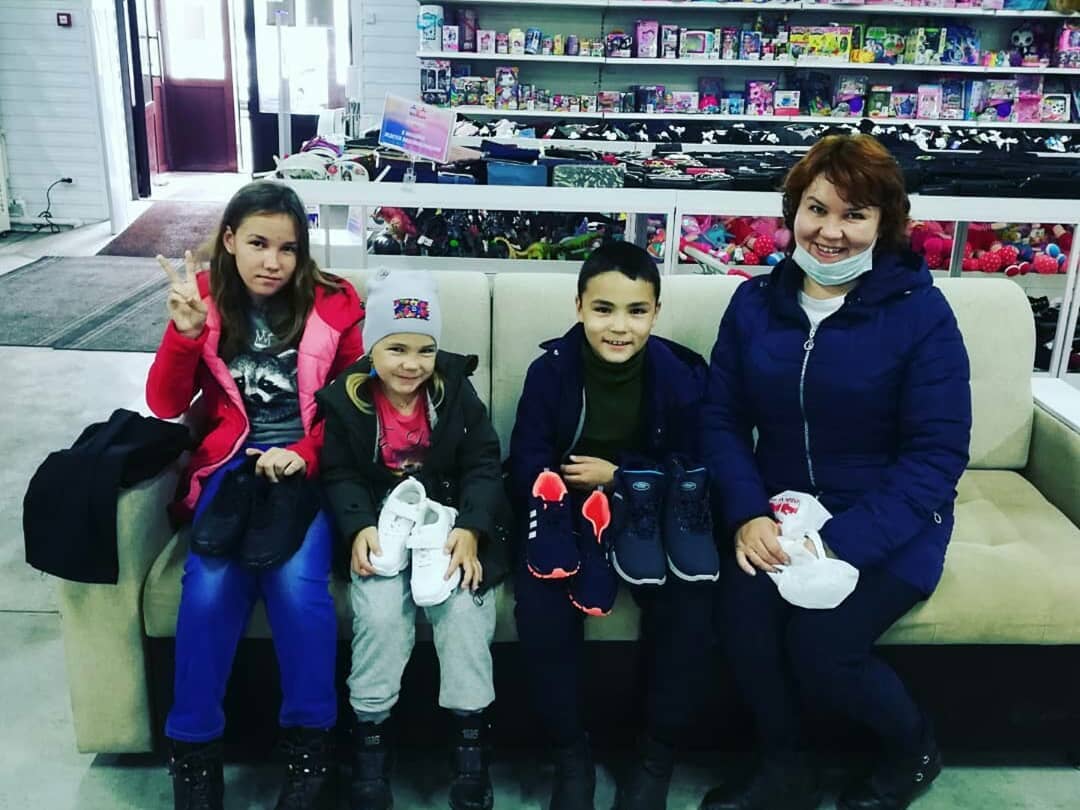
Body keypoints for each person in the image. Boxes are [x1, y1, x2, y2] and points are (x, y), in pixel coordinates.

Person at [699, 134, 972, 810]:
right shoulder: (754, 305)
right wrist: (747, 512)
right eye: (817, 209)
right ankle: (785, 765)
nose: (830, 231)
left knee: (823, 643)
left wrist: (842, 542)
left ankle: (913, 748)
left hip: (890, 517)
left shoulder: (921, 315)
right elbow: (721, 420)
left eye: (855, 215)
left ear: (886, 224)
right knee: (742, 611)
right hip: (779, 509)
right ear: (794, 210)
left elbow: (936, 454)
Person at [146, 181, 364, 810]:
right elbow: (164, 403)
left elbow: (352, 406)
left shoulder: (335, 303)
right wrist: (185, 334)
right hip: (230, 466)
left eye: (288, 248)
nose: (273, 261)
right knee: (209, 586)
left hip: (304, 468)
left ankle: (311, 754)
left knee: (298, 589)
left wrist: (304, 454)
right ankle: (194, 753)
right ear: (229, 240)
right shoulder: (203, 298)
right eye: (258, 244)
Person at [508, 241, 720, 810]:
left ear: (656, 312)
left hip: (651, 510)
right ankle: (570, 756)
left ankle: (655, 756)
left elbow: (697, 464)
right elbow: (528, 458)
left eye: (636, 311)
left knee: (691, 604)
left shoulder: (680, 375)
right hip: (567, 514)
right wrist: (560, 491)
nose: (619, 327)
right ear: (579, 306)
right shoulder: (551, 371)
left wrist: (619, 474)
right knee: (542, 604)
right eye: (603, 309)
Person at [317, 269, 510, 810]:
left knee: (465, 612)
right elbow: (339, 473)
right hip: (381, 525)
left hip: (448, 522)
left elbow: (483, 462)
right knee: (379, 616)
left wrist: (471, 528)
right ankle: (371, 736)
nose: (411, 364)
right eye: (396, 348)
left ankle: (470, 738)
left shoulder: (455, 390)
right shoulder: (348, 399)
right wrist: (357, 525)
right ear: (371, 347)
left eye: (424, 350)